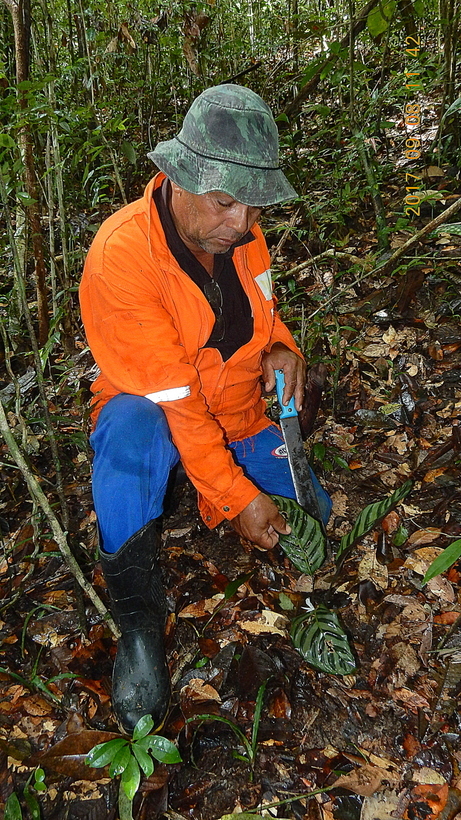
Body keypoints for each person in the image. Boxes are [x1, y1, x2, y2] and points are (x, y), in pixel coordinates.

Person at [80, 84, 331, 735]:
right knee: (135, 434)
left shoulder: (244, 238)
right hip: (161, 417)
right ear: (176, 177)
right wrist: (231, 495)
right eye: (225, 201)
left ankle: (227, 490)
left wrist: (282, 348)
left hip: (241, 410)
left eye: (253, 204)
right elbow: (179, 402)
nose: (242, 221)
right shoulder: (121, 258)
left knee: (312, 523)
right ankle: (137, 631)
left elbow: (263, 319)